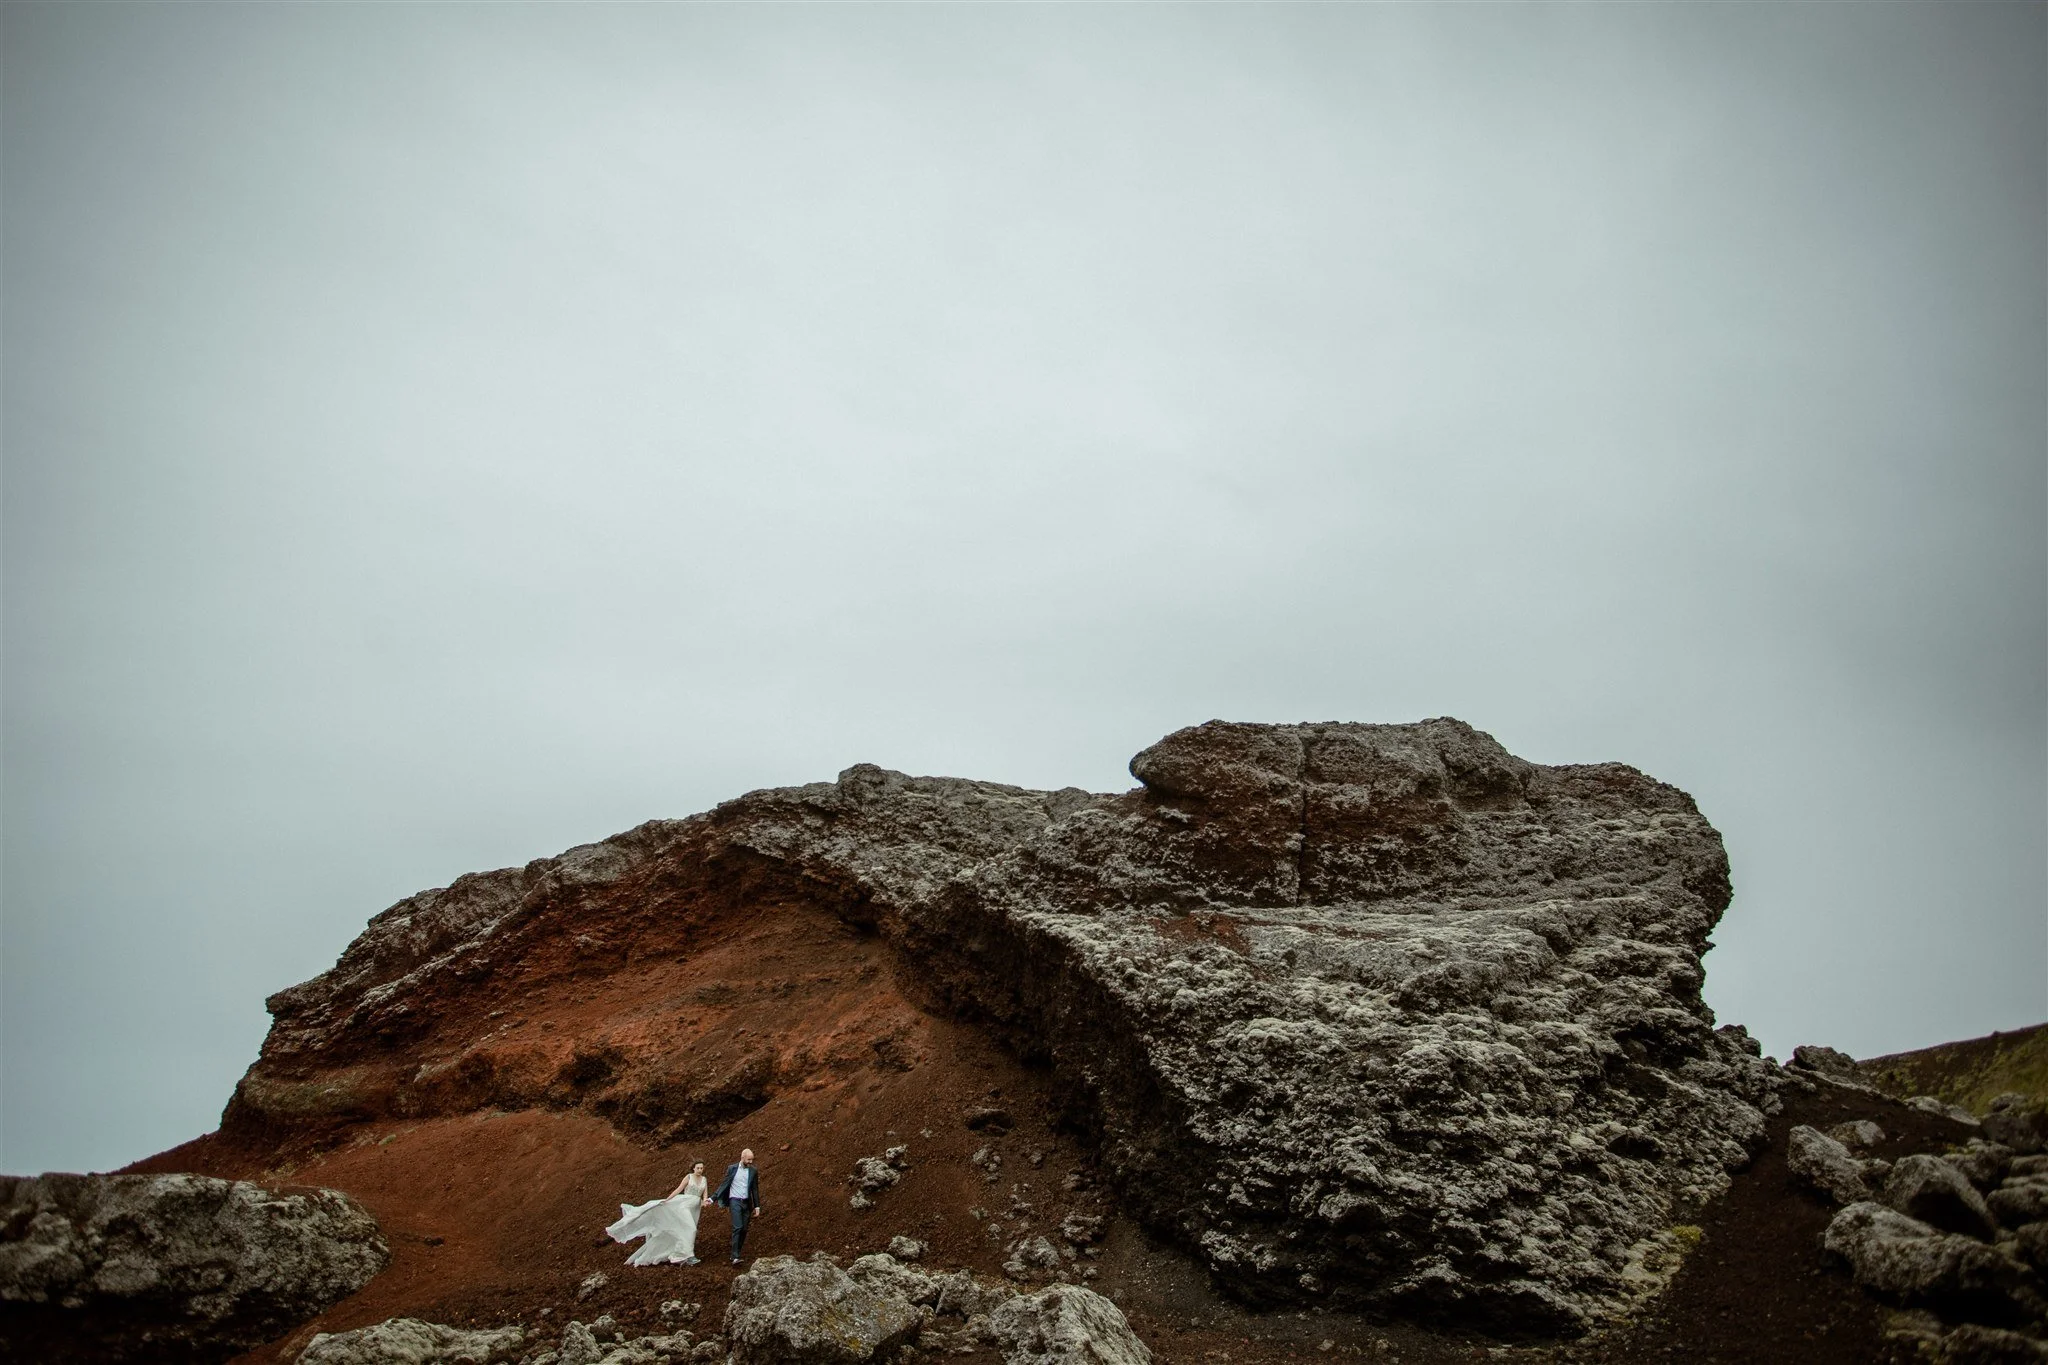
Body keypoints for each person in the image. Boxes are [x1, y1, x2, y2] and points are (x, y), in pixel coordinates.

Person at [605, 1160, 710, 1266]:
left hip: (695, 1209)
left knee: (684, 1230)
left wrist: (705, 1201)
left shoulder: (704, 1179)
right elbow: (678, 1190)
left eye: (701, 1168)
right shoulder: (689, 1177)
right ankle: (687, 1256)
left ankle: (682, 1254)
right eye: (698, 1168)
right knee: (691, 1229)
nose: (700, 1170)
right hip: (684, 1206)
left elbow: (705, 1194)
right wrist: (667, 1200)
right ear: (693, 1168)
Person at [711, 1147, 763, 1265]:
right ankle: (735, 1256)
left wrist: (757, 1206)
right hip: (735, 1201)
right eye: (748, 1159)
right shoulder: (732, 1169)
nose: (750, 1162)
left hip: (747, 1203)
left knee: (744, 1229)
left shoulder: (753, 1171)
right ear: (742, 1157)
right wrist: (713, 1198)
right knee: (738, 1227)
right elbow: (724, 1184)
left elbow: (755, 1189)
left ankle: (736, 1253)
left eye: (752, 1160)